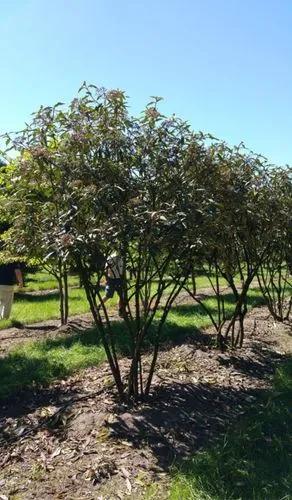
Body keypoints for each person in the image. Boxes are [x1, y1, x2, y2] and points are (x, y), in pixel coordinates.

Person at [98, 251, 125, 317]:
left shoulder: (123, 257)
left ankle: (120, 311)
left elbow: (123, 269)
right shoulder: (111, 257)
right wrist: (107, 279)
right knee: (108, 295)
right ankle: (98, 307)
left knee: (122, 296)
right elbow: (106, 269)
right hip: (111, 279)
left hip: (119, 279)